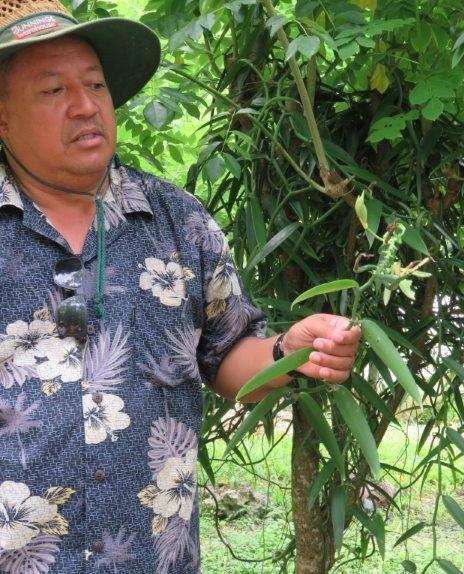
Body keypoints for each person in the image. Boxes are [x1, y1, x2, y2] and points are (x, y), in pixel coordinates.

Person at [0, 1, 361, 573]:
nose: (86, 105)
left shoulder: (177, 221)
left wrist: (288, 354)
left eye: (95, 84)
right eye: (52, 91)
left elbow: (228, 356)